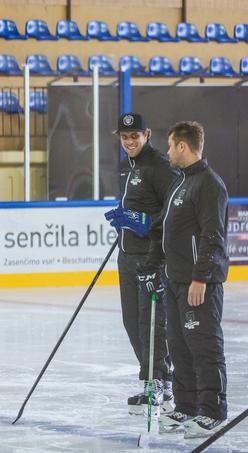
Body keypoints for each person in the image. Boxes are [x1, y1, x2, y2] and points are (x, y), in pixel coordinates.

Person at [138, 121, 229, 438]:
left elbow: (212, 237)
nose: (166, 151)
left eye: (170, 145)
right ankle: (187, 407)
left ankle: (212, 411)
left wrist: (200, 278)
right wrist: (151, 266)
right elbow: (163, 230)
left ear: (182, 146)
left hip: (197, 284)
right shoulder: (181, 183)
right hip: (174, 281)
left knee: (203, 347)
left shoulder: (209, 185)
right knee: (179, 347)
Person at [104, 113, 178, 416]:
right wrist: (124, 220)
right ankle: (160, 379)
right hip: (127, 256)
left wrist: (143, 223)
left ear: (147, 135)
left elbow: (174, 211)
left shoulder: (159, 166)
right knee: (132, 323)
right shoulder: (129, 167)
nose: (129, 141)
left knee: (151, 325)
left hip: (150, 259)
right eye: (124, 137)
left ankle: (157, 383)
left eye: (135, 136)